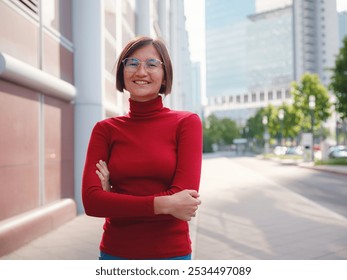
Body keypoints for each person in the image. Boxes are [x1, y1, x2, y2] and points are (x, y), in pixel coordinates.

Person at [81, 36, 203, 260]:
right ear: (122, 72)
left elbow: (184, 201)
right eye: (132, 63)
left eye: (152, 64)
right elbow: (92, 202)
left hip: (170, 255)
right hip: (115, 254)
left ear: (165, 76)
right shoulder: (105, 129)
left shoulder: (186, 123)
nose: (141, 72)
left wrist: (115, 197)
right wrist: (164, 204)